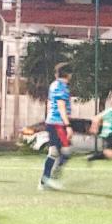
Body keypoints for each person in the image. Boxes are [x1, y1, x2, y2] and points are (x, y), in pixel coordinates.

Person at [39, 63, 74, 191]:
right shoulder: (62, 87)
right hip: (58, 123)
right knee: (64, 152)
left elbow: (50, 104)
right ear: (68, 74)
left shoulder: (54, 85)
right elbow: (61, 106)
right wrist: (68, 125)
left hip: (52, 122)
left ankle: (46, 180)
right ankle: (49, 179)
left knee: (55, 151)